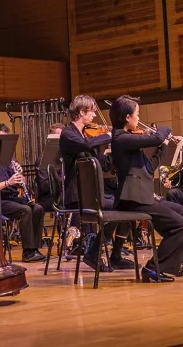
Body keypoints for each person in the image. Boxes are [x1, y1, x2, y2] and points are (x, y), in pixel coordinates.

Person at [110, 95, 183, 282]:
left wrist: (164, 146)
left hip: (141, 197)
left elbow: (150, 168)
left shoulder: (129, 141)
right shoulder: (120, 138)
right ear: (127, 117)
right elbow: (156, 136)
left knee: (180, 210)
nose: (138, 118)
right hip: (133, 199)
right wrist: (164, 130)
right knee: (181, 226)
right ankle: (153, 268)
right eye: (137, 114)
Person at [59, 94, 132, 271]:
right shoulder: (68, 134)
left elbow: (104, 164)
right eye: (91, 111)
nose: (94, 116)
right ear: (82, 112)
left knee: (129, 205)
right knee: (121, 207)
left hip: (91, 192)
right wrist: (111, 134)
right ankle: (93, 251)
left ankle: (115, 254)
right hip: (78, 193)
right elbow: (86, 146)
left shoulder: (85, 136)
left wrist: (119, 151)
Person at [0, 123, 46, 263]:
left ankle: (34, 249)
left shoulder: (10, 157)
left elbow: (18, 182)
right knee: (25, 210)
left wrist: (20, 178)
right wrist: (8, 182)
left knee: (37, 208)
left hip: (12, 198)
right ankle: (27, 253)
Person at [35, 123, 65, 212]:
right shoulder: (42, 159)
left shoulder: (65, 157)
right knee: (73, 200)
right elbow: (44, 186)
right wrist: (62, 179)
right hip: (49, 198)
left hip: (64, 195)